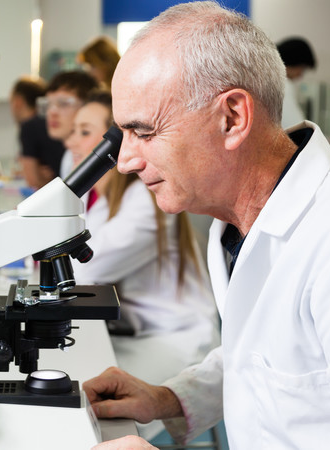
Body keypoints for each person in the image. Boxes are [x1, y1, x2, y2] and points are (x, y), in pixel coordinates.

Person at [82, 2, 330, 449]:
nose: (127, 161)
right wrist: (168, 397)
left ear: (232, 118)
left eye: (145, 132)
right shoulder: (237, 221)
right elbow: (268, 360)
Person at [67, 89, 220, 440]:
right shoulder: (105, 201)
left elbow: (84, 271)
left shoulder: (145, 204)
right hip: (137, 332)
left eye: (85, 131)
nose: (72, 142)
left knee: (96, 408)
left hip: (177, 337)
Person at [277, 37, 330, 152]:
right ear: (293, 61)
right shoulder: (283, 84)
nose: (301, 75)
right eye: (303, 68)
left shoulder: (270, 81)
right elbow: (297, 130)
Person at [37, 70, 99, 177]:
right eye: (48, 104)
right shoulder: (70, 156)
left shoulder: (93, 156)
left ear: (87, 107)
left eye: (63, 104)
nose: (52, 112)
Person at [9, 77, 65, 190]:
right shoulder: (49, 123)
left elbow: (33, 180)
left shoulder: (28, 128)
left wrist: (33, 172)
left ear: (18, 102)